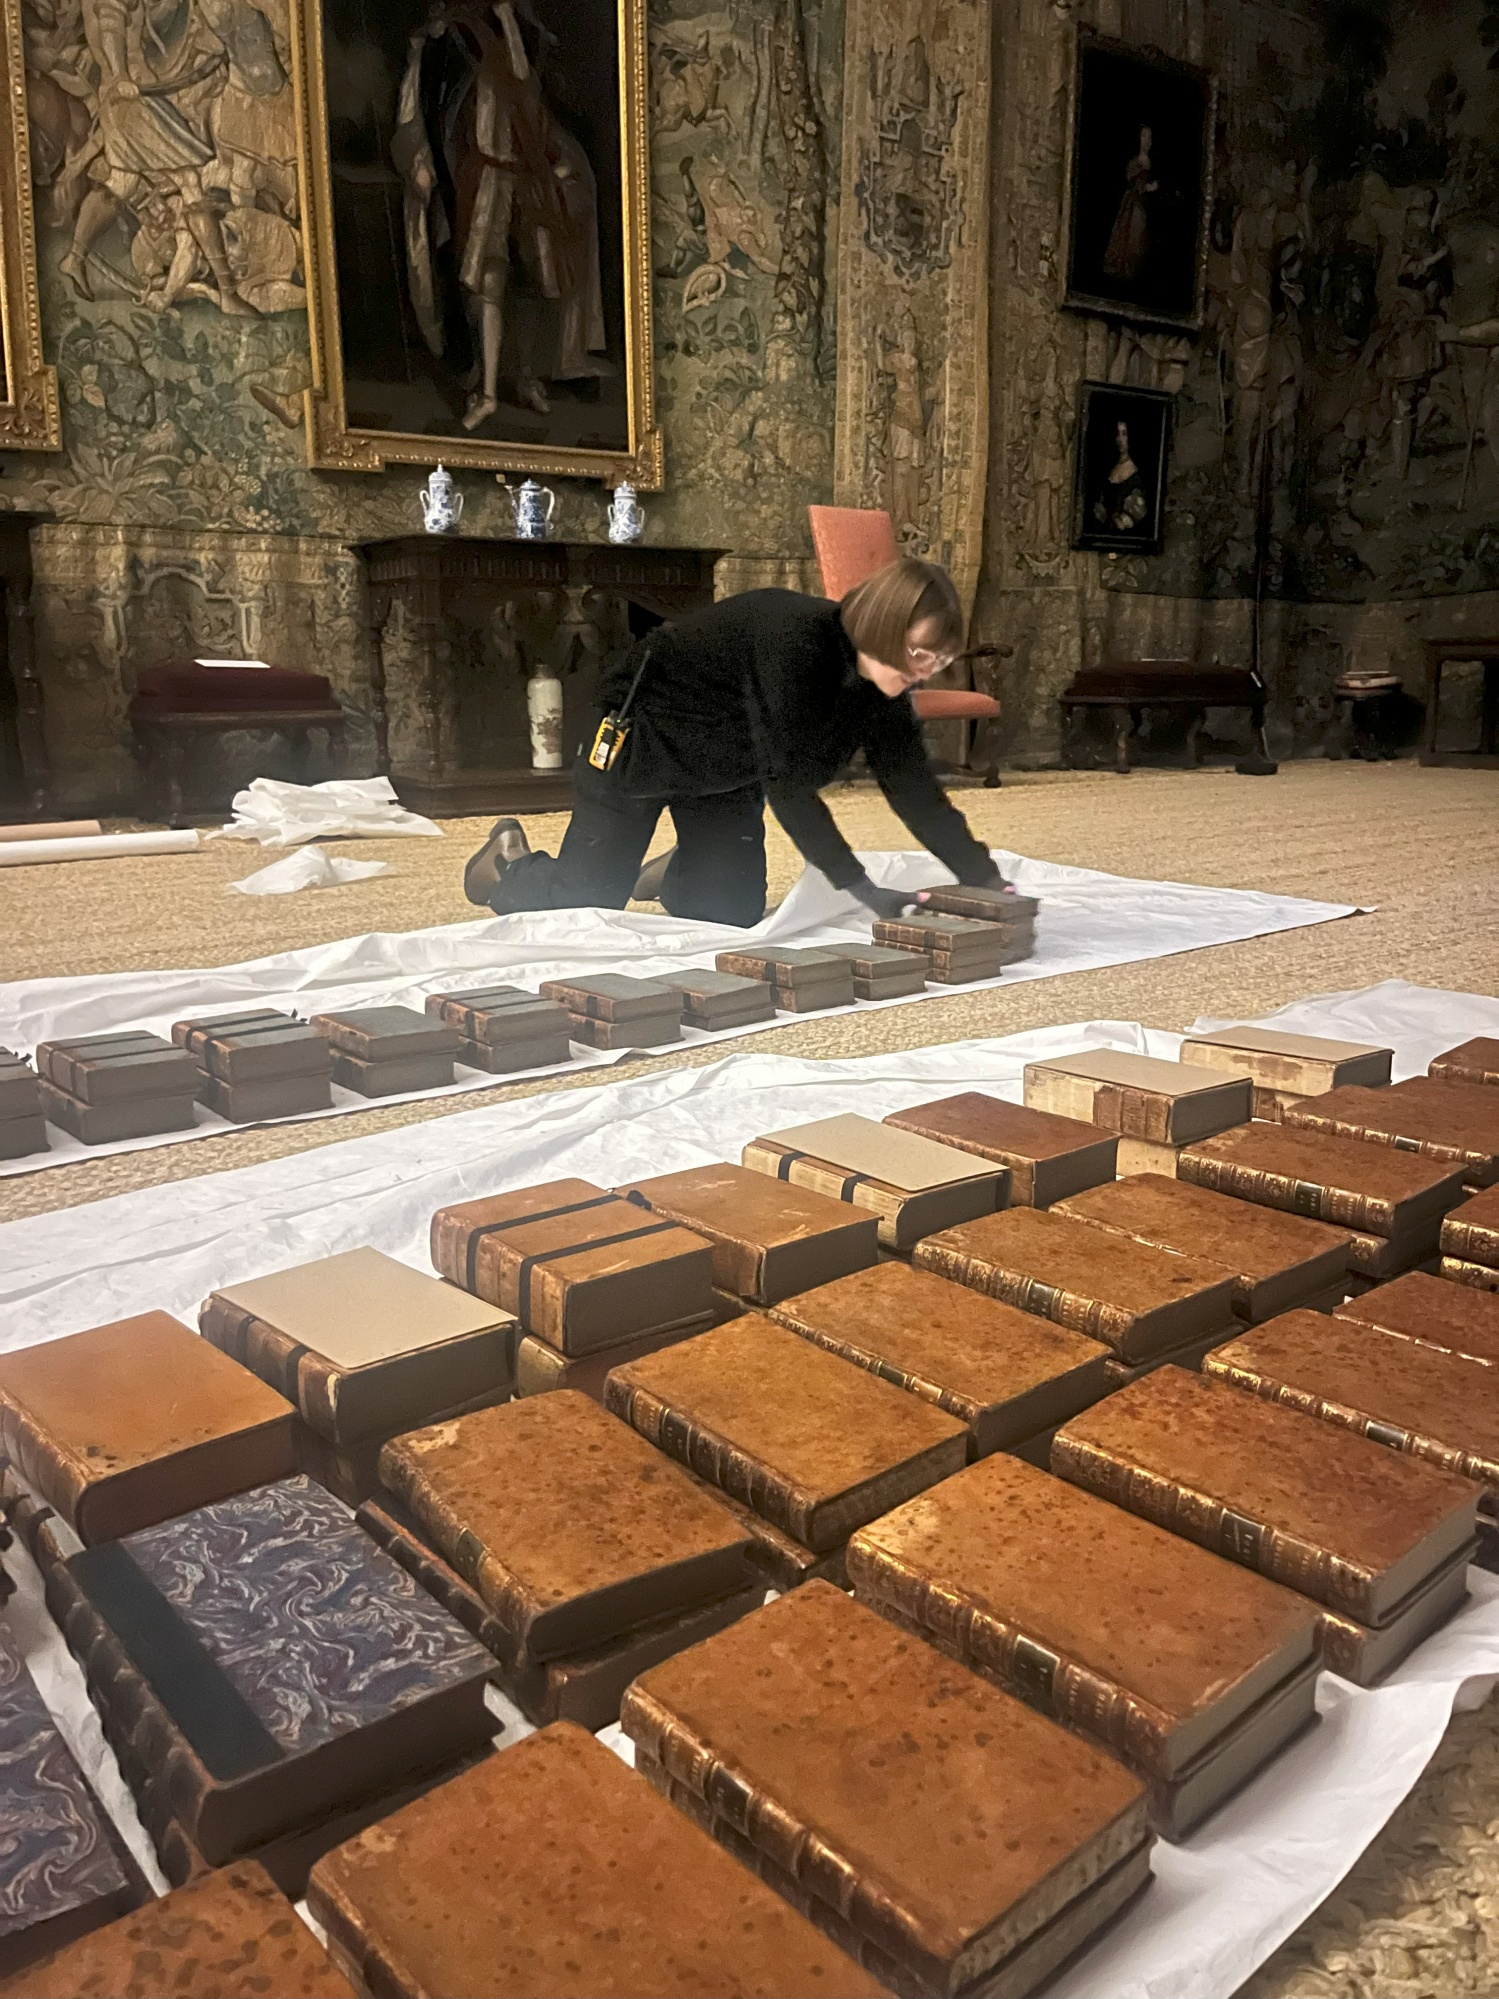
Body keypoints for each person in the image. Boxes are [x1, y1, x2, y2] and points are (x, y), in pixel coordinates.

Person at [462, 557, 1004, 927]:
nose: (928, 672)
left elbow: (914, 787)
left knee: (727, 913)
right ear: (883, 628)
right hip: (640, 746)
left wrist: (985, 880)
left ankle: (680, 866)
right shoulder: (794, 640)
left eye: (939, 661)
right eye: (920, 655)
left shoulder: (884, 685)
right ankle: (506, 864)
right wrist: (860, 888)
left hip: (723, 770)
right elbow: (789, 788)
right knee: (586, 907)